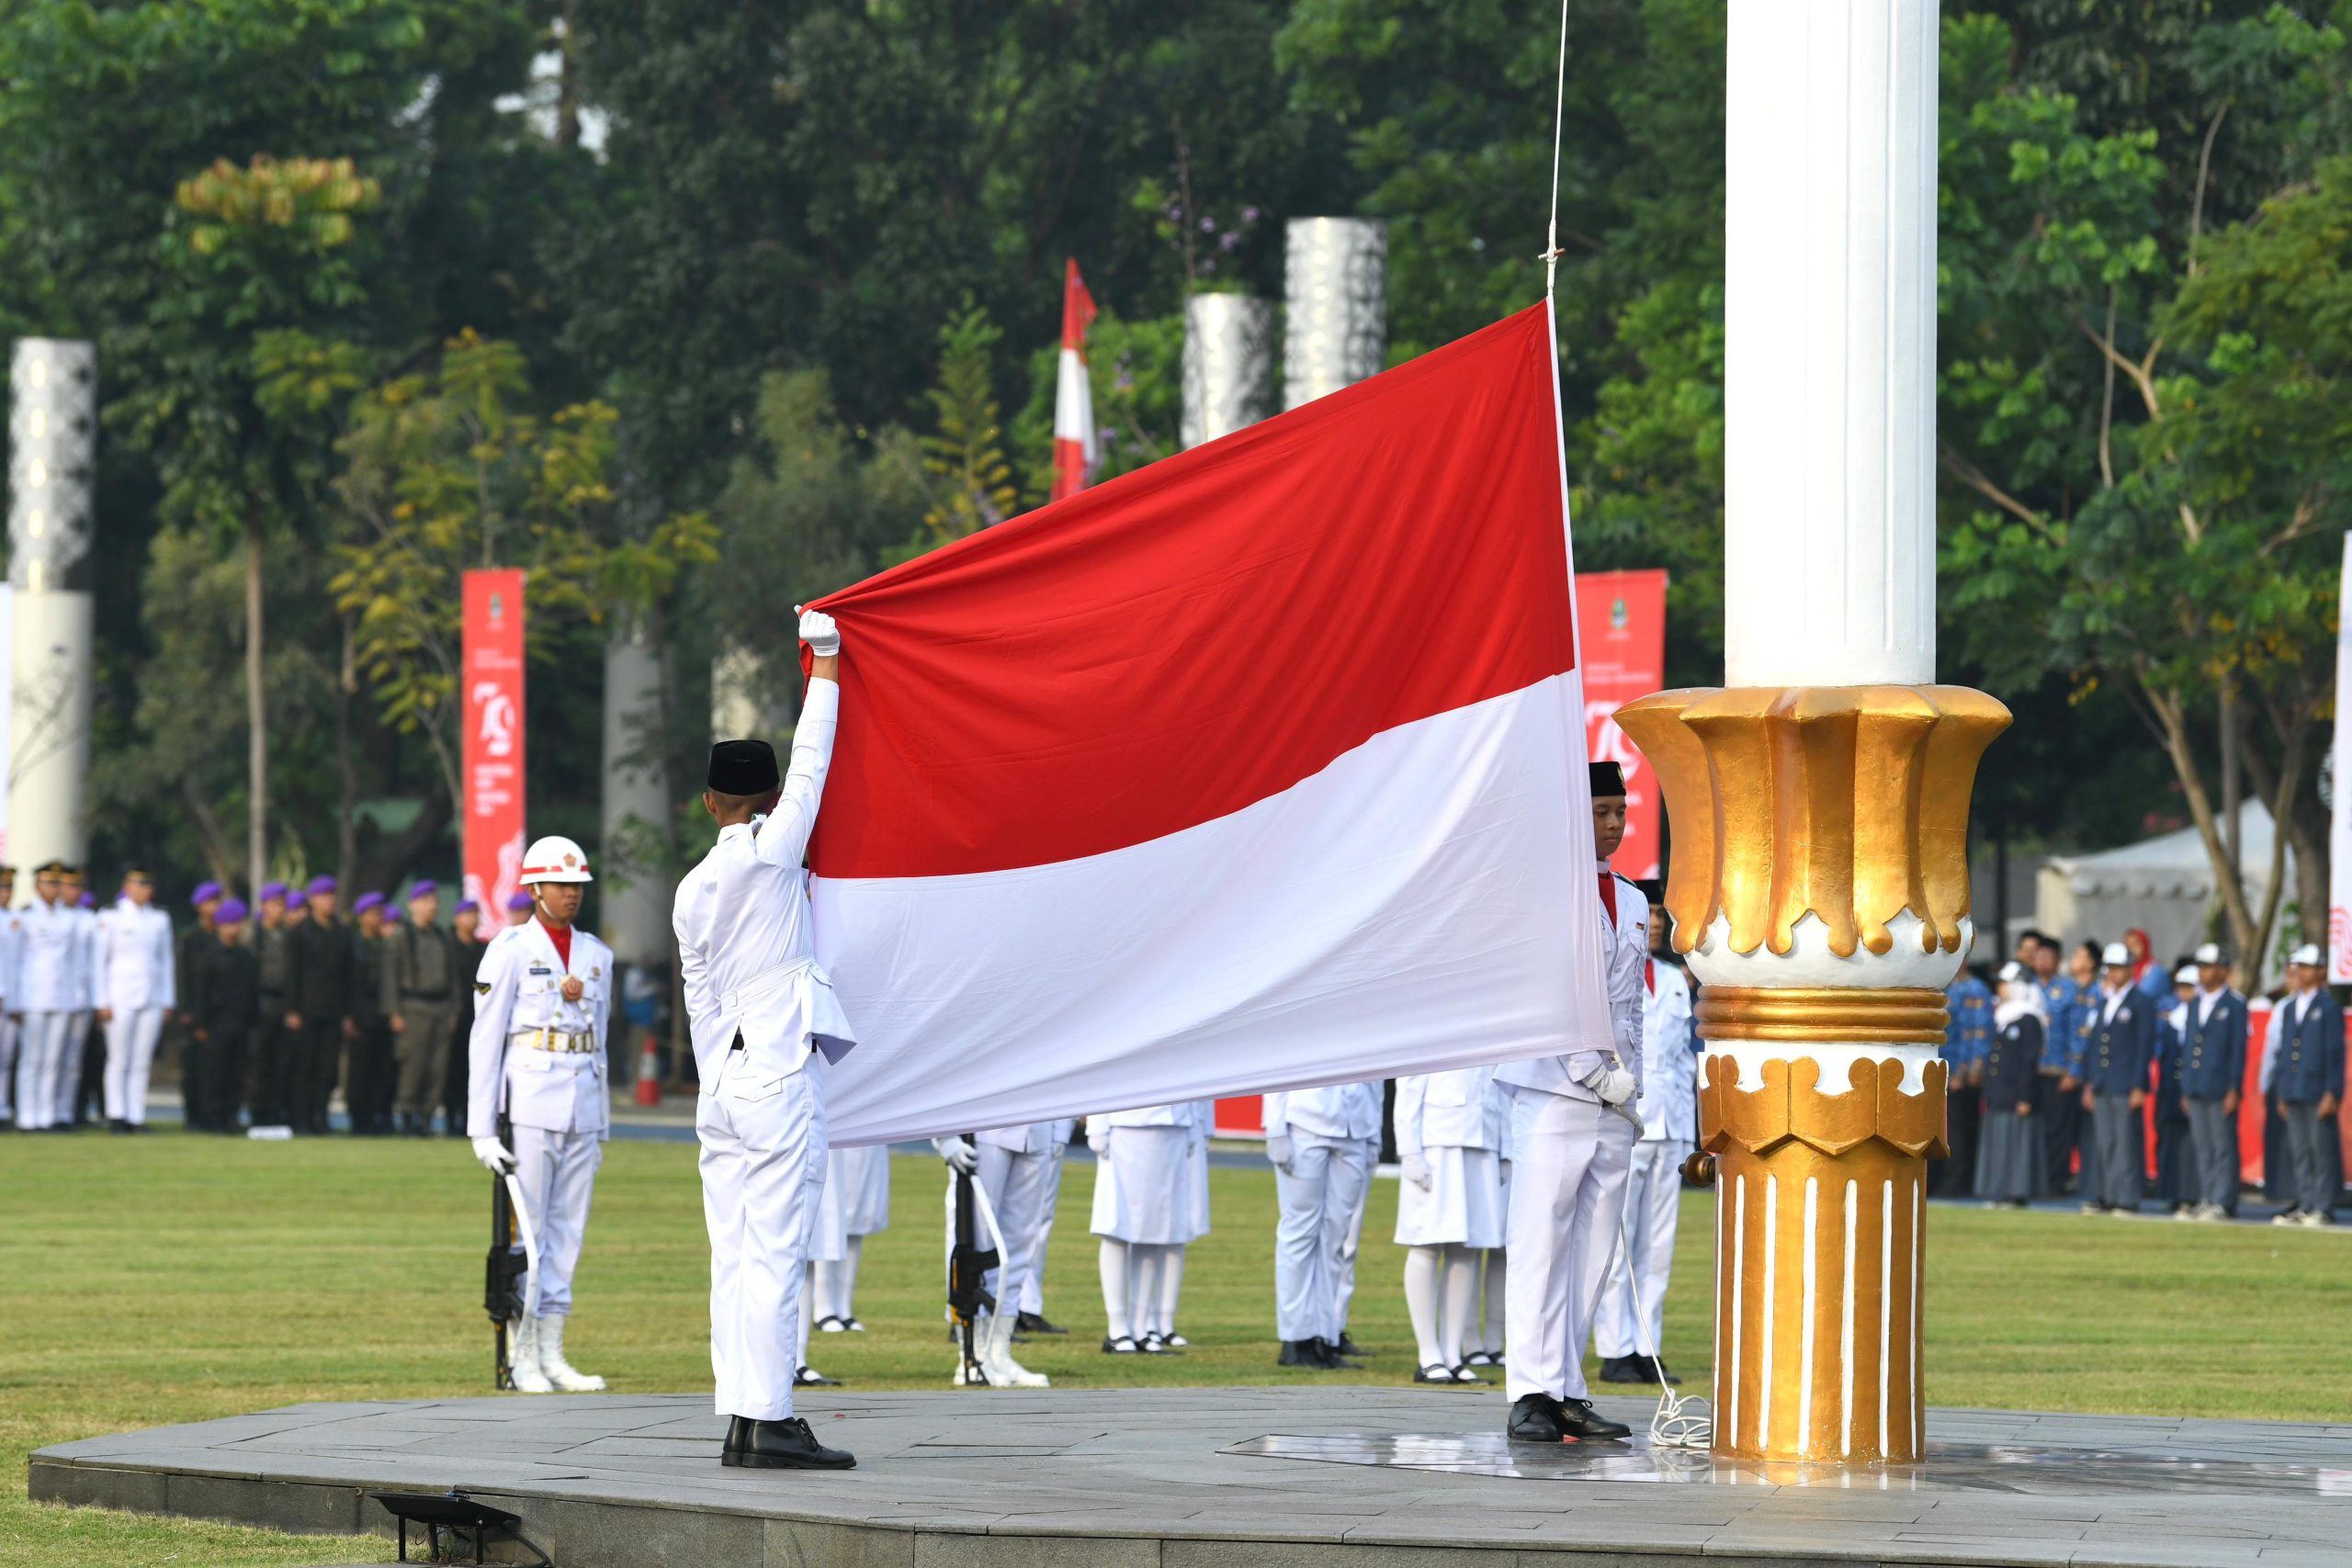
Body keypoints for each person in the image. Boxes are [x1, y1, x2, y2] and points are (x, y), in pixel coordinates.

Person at [671, 606, 856, 1471]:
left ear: (711, 802)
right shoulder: (777, 849)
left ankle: (742, 1417)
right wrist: (826, 663)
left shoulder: (692, 885)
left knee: (734, 1255)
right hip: (778, 1076)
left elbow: (699, 997)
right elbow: (814, 762)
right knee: (778, 1250)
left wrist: (721, 1072)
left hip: (724, 1085)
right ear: (768, 800)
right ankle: (773, 1416)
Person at [1497, 761, 1645, 1445]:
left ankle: (1567, 1387)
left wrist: (1630, 1087)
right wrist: (1594, 1072)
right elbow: (1554, 995)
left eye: (1619, 810)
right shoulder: (1547, 892)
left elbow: (1630, 1008)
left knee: (1593, 1252)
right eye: (1600, 810)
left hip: (1615, 1098)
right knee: (1541, 1240)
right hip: (1555, 1087)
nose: (1613, 823)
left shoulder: (1636, 900)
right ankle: (1529, 1389)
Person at [470, 834, 615, 1396]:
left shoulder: (597, 956)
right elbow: (485, 1041)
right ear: (533, 888)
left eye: (577, 885)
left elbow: (599, 1042)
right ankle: (521, 1353)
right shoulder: (508, 951)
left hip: (583, 1106)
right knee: (527, 1237)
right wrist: (482, 1127)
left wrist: (602, 1116)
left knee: (567, 1234)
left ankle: (553, 1352)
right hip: (528, 1105)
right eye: (559, 884)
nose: (571, 894)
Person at [1595, 878, 1694, 1386]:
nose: (1654, 921)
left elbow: (1682, 1065)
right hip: (1629, 1121)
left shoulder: (1676, 980)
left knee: (1659, 1244)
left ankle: (1646, 1347)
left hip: (1672, 1127)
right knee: (1619, 1241)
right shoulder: (1614, 971)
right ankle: (1614, 1347)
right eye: (1649, 911)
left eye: (1660, 913)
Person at [1393, 1062, 1507, 1385]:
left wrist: (1504, 1151)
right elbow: (1409, 1087)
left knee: (1466, 1249)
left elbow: (1500, 1089)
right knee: (1426, 1245)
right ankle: (1428, 1355)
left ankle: (1452, 1354)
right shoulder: (1429, 1017)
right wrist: (1410, 1152)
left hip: (1482, 1141)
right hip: (1436, 1143)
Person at [1263, 1080, 1381, 1369]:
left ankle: (1326, 1336)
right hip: (1305, 1120)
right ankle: (1296, 1338)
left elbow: (1378, 1071)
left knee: (1335, 1238)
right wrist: (1275, 1129)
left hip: (1356, 1126)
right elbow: (1280, 1062)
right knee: (1300, 1233)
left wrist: (1375, 1134)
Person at [933, 1123, 1056, 1382]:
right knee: (975, 1240)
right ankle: (971, 1354)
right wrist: (944, 1135)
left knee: (1021, 1244)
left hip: (1039, 1126)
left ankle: (999, 1353)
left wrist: (1060, 1130)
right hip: (987, 1126)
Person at [1090, 1101, 1200, 1359]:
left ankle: (1140, 1328)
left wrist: (1193, 1124)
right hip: (1128, 1122)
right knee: (1116, 1226)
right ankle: (1117, 1328)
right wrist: (1097, 1125)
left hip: (1175, 1124)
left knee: (1156, 1230)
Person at [94, 869, 176, 1134]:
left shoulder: (159, 919)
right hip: (119, 997)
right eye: (140, 885)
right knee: (118, 1058)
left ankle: (135, 1114)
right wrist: (101, 1000)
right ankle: (116, 1114)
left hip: (151, 995)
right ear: (127, 886)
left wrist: (167, 1000)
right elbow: (99, 962)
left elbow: (165, 962)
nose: (146, 890)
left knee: (142, 1060)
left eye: (149, 885)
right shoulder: (110, 917)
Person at [2267, 945, 2342, 1227]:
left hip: (2316, 1088)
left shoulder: (2328, 1008)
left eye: (2308, 967)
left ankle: (2322, 1206)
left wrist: (2333, 1092)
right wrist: (2283, 1090)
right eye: (2300, 966)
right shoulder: (2289, 1008)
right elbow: (2285, 1052)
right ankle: (2306, 1201)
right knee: (2299, 1150)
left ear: (2321, 971)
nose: (2301, 972)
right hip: (2294, 1087)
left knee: (2320, 1150)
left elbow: (2335, 1054)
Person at [2080, 942, 2154, 1214]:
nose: (2115, 973)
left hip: (2125, 1083)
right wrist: (2089, 1082)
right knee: (2104, 1142)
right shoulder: (2104, 1001)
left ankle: (2127, 1197)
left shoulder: (2141, 1002)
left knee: (2125, 1143)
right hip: (2102, 1082)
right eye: (2111, 968)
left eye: (2120, 968)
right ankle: (2106, 1194)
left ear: (2130, 969)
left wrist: (2139, 1085)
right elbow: (2095, 1044)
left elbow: (2144, 1046)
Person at [384, 881, 462, 1137]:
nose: (431, 906)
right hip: (413, 1007)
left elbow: (453, 979)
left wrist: (454, 1010)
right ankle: (407, 1115)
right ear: (412, 904)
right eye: (425, 900)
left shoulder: (443, 937)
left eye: (434, 900)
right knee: (413, 1066)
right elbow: (390, 977)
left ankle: (427, 1117)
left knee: (437, 1068)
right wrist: (394, 1011)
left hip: (440, 1007)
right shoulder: (401, 937)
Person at [13, 863, 83, 1133]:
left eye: (57, 884)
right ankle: (27, 1116)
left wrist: (76, 997)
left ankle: (48, 1114)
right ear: (36, 886)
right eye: (48, 883)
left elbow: (75, 962)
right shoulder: (26, 917)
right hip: (33, 996)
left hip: (62, 996)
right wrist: (16, 1000)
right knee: (32, 1059)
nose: (54, 889)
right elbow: (16, 962)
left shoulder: (69, 918)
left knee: (54, 1060)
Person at [2180, 942, 2247, 1221]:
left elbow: (2237, 1050)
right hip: (2197, 1084)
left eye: (2208, 967)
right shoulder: (2195, 1003)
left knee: (2222, 1146)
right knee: (2203, 1144)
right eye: (2201, 967)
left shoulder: (2233, 1005)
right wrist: (2185, 1085)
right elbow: (2189, 1046)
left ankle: (2223, 1199)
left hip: (2220, 1086)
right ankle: (2207, 1195)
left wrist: (2234, 1088)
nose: (2203, 972)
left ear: (2222, 970)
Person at [282, 876, 354, 1134]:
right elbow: (291, 973)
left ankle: (321, 1118)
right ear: (312, 900)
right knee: (304, 1067)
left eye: (332, 895)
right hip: (306, 1009)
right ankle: (301, 1118)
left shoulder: (342, 932)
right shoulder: (299, 932)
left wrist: (348, 1013)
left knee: (327, 1069)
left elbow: (348, 975)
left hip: (333, 1010)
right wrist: (291, 1009)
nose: (329, 900)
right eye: (323, 895)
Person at [186, 899, 260, 1134]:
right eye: (229, 924)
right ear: (219, 926)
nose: (234, 929)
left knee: (236, 1073)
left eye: (237, 924)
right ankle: (213, 1118)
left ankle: (231, 1116)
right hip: (216, 1022)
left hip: (240, 1021)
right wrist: (200, 1023)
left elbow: (251, 991)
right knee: (214, 1072)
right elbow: (200, 991)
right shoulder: (208, 956)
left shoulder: (245, 956)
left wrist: (252, 1021)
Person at [1979, 963, 2046, 1207]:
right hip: (2000, 1092)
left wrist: (2025, 1097)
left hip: (2016, 1093)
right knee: (1999, 1143)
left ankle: (2015, 1193)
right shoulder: (2004, 1016)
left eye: (2005, 983)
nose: (2001, 988)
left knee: (2016, 1145)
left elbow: (2029, 1061)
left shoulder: (2029, 1019)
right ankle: (1997, 1189)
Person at [814, 1143, 888, 1334]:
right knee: (832, 1216)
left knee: (861, 1215)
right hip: (837, 1139)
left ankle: (844, 1307)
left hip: (870, 1137)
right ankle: (823, 1306)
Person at [1938, 946, 1994, 1198]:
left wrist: (1971, 1069)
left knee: (1960, 1130)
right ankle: (1943, 1179)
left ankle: (1959, 1182)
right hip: (1940, 1069)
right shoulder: (1941, 986)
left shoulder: (1975, 989)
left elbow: (1979, 1033)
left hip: (1959, 1072)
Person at [175, 883, 223, 1130]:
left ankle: (211, 1114)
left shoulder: (221, 935)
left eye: (217, 902)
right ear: (199, 907)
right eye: (209, 902)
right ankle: (193, 1116)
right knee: (192, 1066)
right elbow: (183, 975)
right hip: (193, 1009)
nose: (214, 907)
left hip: (215, 1011)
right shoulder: (190, 937)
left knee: (214, 1067)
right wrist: (185, 1009)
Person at [2153, 964, 2201, 1213]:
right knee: (2170, 1139)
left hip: (2193, 1089)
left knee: (2193, 1143)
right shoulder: (2172, 1017)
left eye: (2190, 987)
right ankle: (2172, 1192)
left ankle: (2192, 1194)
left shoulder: (2201, 1015)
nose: (2185, 993)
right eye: (2181, 987)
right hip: (2170, 1088)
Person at [248, 883, 296, 1127]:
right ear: (264, 906)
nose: (280, 909)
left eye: (282, 904)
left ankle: (275, 1111)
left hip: (283, 1005)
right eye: (275, 904)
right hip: (260, 1004)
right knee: (260, 1063)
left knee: (281, 1063)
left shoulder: (289, 937)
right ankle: (258, 1112)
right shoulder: (254, 936)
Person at [348, 892, 395, 1134]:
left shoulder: (387, 945)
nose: (378, 919)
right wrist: (348, 1016)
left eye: (380, 914)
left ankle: (378, 1116)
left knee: (382, 1069)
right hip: (360, 1015)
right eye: (373, 914)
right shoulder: (353, 945)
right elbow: (346, 982)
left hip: (383, 1013)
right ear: (361, 918)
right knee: (360, 1069)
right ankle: (359, 1118)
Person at [60, 870, 102, 1127]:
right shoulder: (36, 917)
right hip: (49, 998)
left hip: (82, 997)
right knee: (46, 1060)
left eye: (77, 887)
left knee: (74, 1062)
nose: (72, 891)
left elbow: (96, 964)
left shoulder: (90, 920)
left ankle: (68, 1113)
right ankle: (39, 1114)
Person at [444, 897, 486, 1135]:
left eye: (475, 914)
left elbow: (483, 983)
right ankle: (451, 1117)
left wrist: (484, 997)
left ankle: (468, 1120)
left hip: (476, 1015)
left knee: (474, 1070)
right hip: (453, 1014)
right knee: (452, 1068)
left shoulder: (483, 948)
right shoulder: (448, 945)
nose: (472, 919)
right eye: (467, 914)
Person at [0, 867, 19, 1128]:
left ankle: (2, 1108)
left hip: (12, 998)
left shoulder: (17, 919)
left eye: (8, 888)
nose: (5, 893)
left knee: (6, 1057)